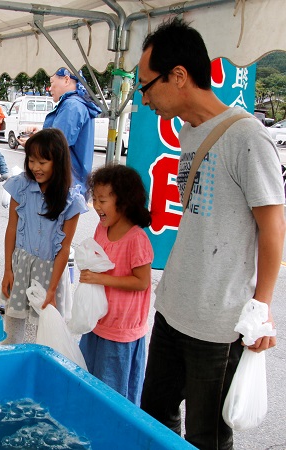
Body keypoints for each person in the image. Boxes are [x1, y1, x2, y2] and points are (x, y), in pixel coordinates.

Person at [137, 18, 285, 450]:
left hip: (219, 323)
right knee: (155, 416)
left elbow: (273, 224)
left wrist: (261, 308)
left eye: (146, 86)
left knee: (208, 436)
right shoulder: (189, 133)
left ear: (178, 76)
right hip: (173, 307)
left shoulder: (247, 137)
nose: (144, 100)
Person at [78, 164, 153, 406]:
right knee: (91, 386)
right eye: (95, 199)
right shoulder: (103, 228)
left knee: (114, 396)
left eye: (102, 200)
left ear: (124, 201)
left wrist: (100, 278)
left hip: (121, 331)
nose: (96, 206)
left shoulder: (136, 239)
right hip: (97, 323)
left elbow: (141, 282)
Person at [1, 128, 86, 343]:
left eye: (42, 162)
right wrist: (7, 270)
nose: (35, 168)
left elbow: (65, 248)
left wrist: (53, 287)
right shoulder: (20, 186)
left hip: (52, 272)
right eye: (31, 160)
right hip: (20, 265)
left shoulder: (71, 200)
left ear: (57, 161)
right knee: (12, 327)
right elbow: (11, 228)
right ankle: (11, 366)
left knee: (47, 332)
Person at [19, 68, 101, 196]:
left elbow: (55, 146)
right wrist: (39, 135)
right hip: (73, 182)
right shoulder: (78, 103)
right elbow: (62, 137)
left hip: (65, 183)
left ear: (66, 79)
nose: (50, 88)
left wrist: (32, 144)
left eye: (52, 82)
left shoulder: (71, 106)